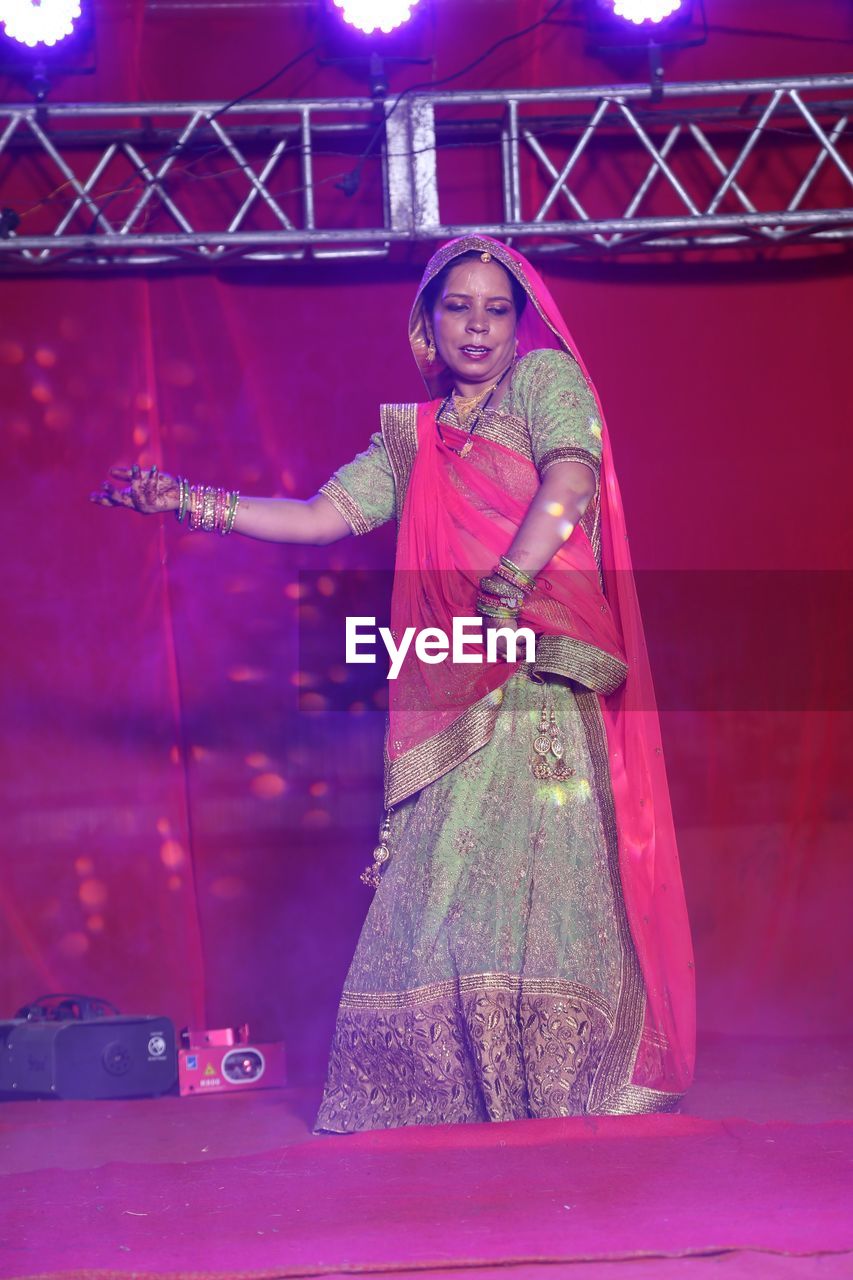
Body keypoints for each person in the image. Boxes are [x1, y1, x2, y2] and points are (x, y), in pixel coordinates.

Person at [93, 234, 695, 1132]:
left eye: (497, 308)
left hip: (531, 671)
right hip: (450, 678)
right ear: (427, 322)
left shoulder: (544, 382)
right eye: (459, 307)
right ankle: (445, 1093)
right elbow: (313, 519)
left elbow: (571, 475)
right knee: (440, 881)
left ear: (518, 322)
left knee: (538, 881)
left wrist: (512, 579)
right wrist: (187, 502)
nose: (479, 326)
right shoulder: (410, 441)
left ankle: (561, 1092)